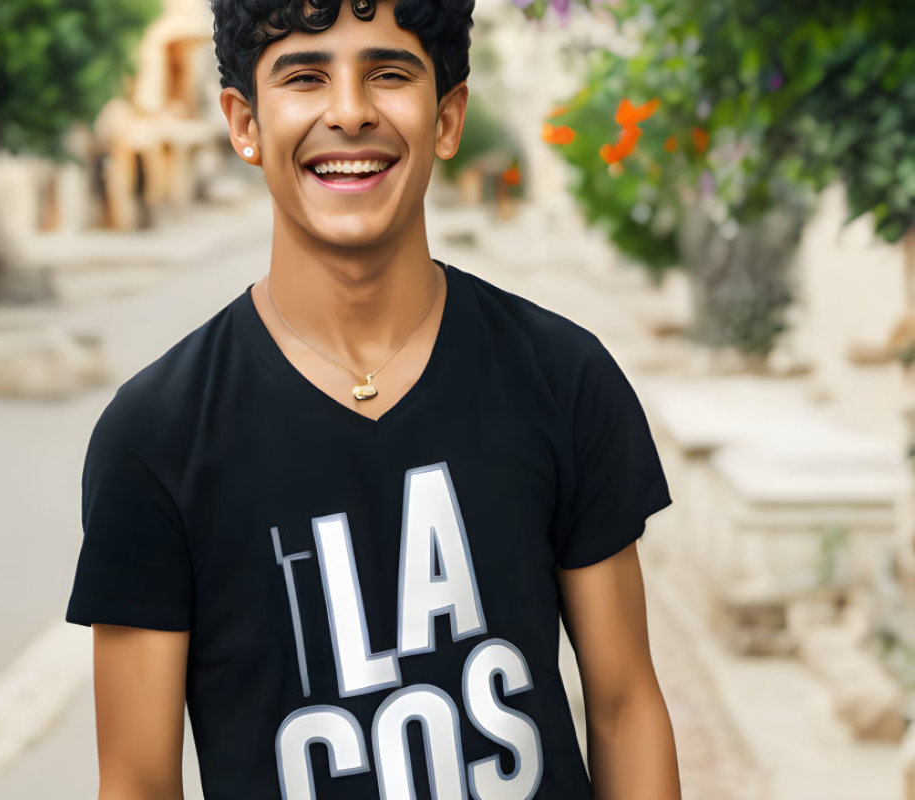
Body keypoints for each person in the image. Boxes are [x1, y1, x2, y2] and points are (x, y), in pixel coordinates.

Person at [65, 0, 683, 798]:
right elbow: (140, 781)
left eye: (389, 74)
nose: (350, 112)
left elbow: (626, 706)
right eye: (305, 77)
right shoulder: (154, 438)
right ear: (243, 123)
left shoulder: (563, 376)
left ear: (448, 118)